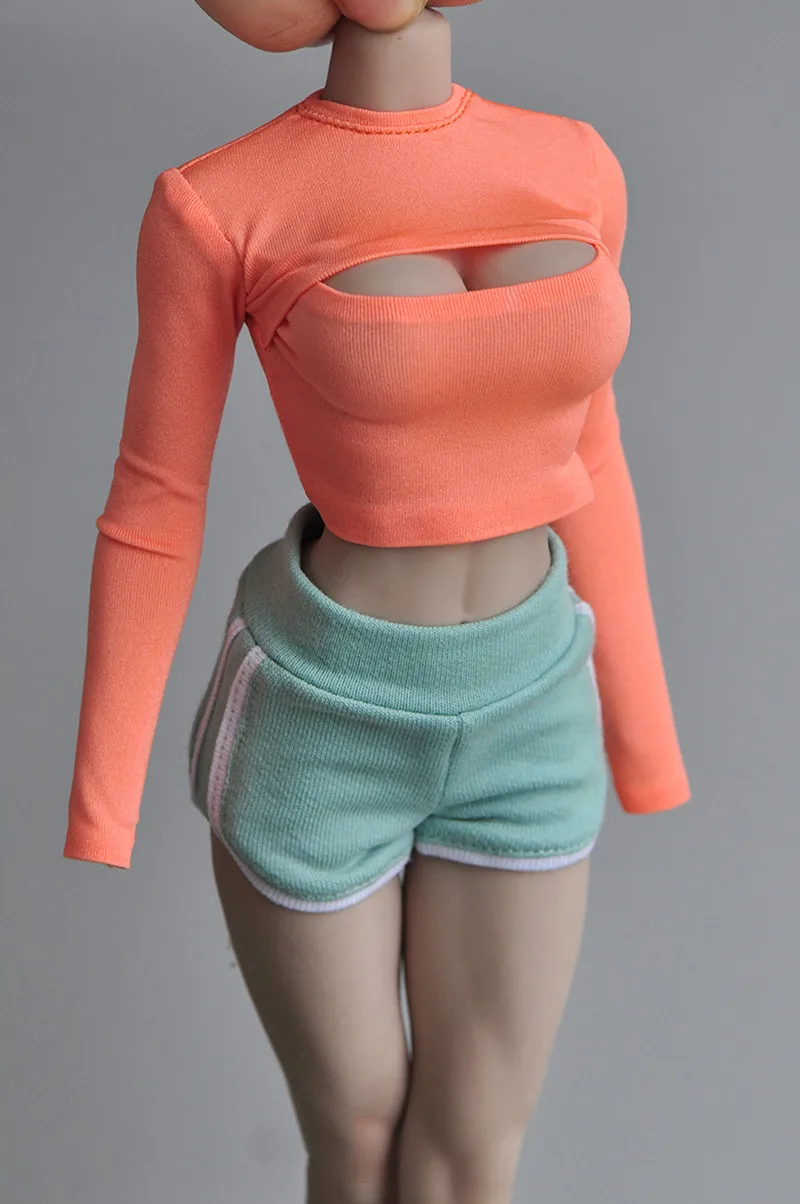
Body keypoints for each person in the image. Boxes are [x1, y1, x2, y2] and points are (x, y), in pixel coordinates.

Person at [63, 3, 691, 1201]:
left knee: (471, 1152)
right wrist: (105, 798)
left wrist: (641, 737)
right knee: (357, 1144)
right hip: (322, 716)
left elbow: (591, 455)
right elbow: (156, 499)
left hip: (530, 703)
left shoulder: (576, 165)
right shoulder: (221, 203)